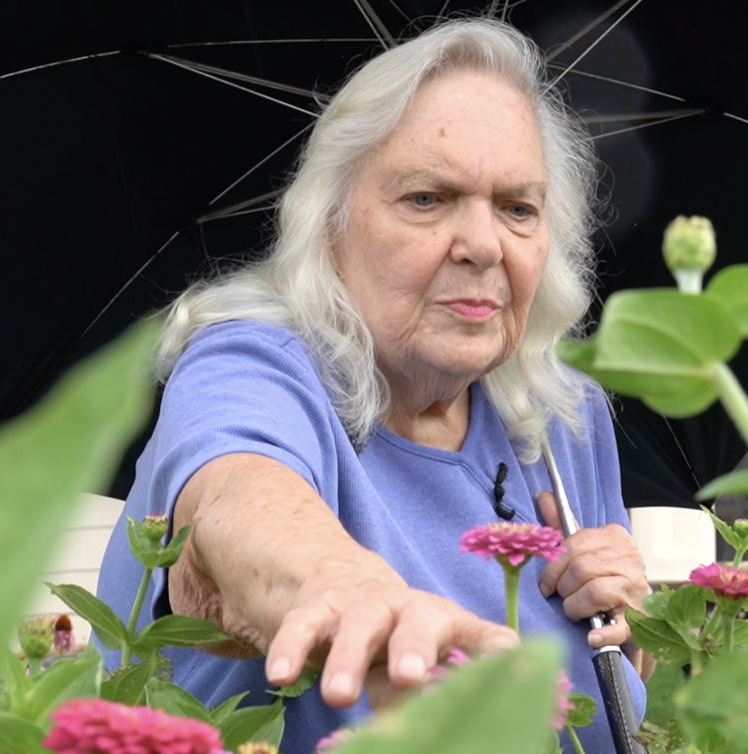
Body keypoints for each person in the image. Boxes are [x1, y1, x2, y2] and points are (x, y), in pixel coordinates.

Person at [95, 18, 651, 753]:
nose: (483, 245)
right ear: (329, 228)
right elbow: (235, 505)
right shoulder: (252, 364)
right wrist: (345, 590)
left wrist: (624, 630)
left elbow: (608, 709)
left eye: (518, 207)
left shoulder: (560, 416)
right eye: (427, 198)